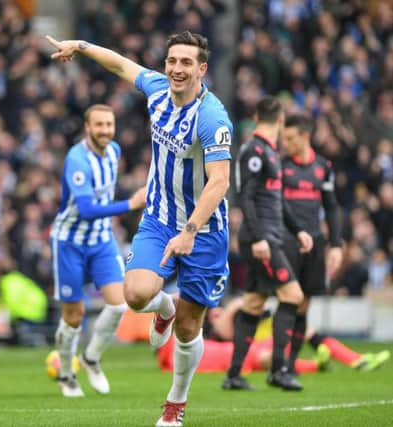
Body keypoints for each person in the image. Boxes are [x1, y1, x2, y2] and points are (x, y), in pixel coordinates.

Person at [47, 30, 232, 427]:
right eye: (171, 61)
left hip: (205, 230)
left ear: (201, 69)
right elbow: (119, 63)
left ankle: (175, 404)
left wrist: (192, 230)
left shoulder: (212, 117)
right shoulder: (158, 89)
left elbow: (219, 181)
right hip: (160, 219)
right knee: (135, 295)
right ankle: (163, 306)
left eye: (186, 63)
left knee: (189, 326)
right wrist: (80, 47)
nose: (176, 69)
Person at [49, 104, 146, 397]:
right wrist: (130, 204)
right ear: (87, 128)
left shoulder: (114, 151)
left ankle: (91, 357)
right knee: (74, 316)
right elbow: (87, 209)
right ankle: (67, 375)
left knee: (119, 305)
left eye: (109, 125)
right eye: (99, 125)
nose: (105, 130)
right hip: (70, 242)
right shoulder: (77, 160)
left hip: (102, 240)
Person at [223, 97, 313, 392]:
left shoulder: (270, 151)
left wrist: (297, 229)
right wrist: (260, 236)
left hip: (269, 236)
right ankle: (278, 370)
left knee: (253, 303)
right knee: (293, 295)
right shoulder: (255, 150)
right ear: (281, 119)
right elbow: (246, 196)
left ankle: (234, 375)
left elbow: (277, 199)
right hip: (261, 239)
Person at [159, 297, 390, 374]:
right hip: (243, 352)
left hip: (246, 348)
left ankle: (354, 359)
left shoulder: (196, 334)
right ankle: (316, 364)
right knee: (269, 357)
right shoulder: (206, 330)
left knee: (302, 330)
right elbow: (226, 329)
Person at [280, 113, 344, 376]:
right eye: (284, 138)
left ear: (306, 136)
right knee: (287, 300)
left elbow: (331, 207)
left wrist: (336, 244)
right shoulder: (281, 166)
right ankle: (277, 361)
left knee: (304, 304)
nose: (286, 143)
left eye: (291, 138)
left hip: (315, 243)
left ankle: (290, 363)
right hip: (286, 242)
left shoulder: (323, 167)